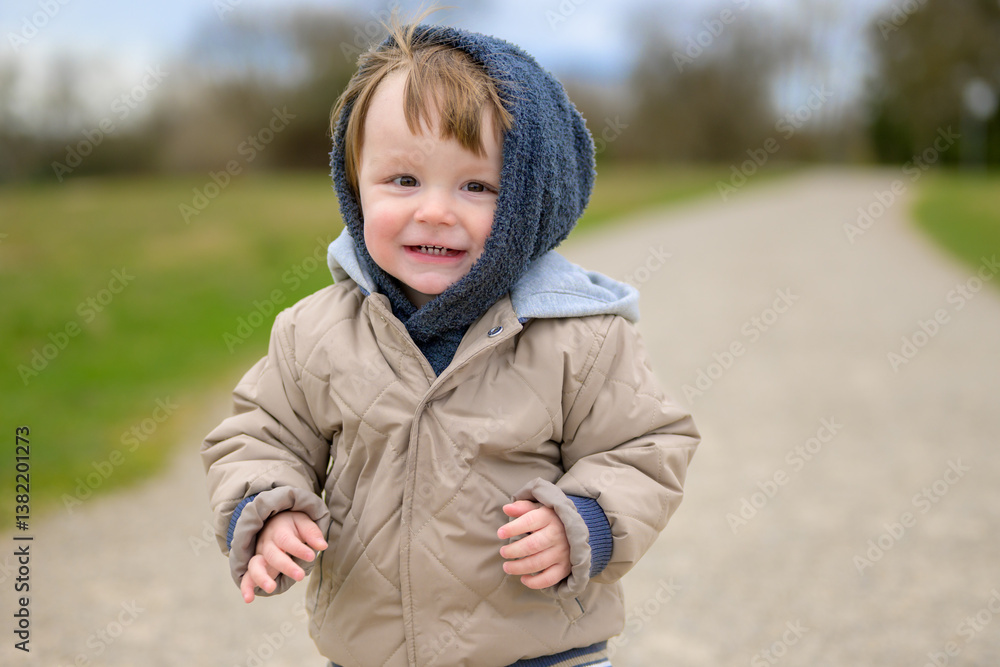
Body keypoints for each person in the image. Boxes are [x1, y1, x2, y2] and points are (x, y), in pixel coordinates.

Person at [201, 15, 699, 667]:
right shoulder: (314, 332)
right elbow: (260, 435)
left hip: (540, 652)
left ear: (531, 201)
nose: (433, 210)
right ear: (355, 187)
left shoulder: (580, 335)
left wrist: (587, 520)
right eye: (403, 180)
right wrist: (265, 509)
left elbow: (645, 446)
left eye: (476, 186)